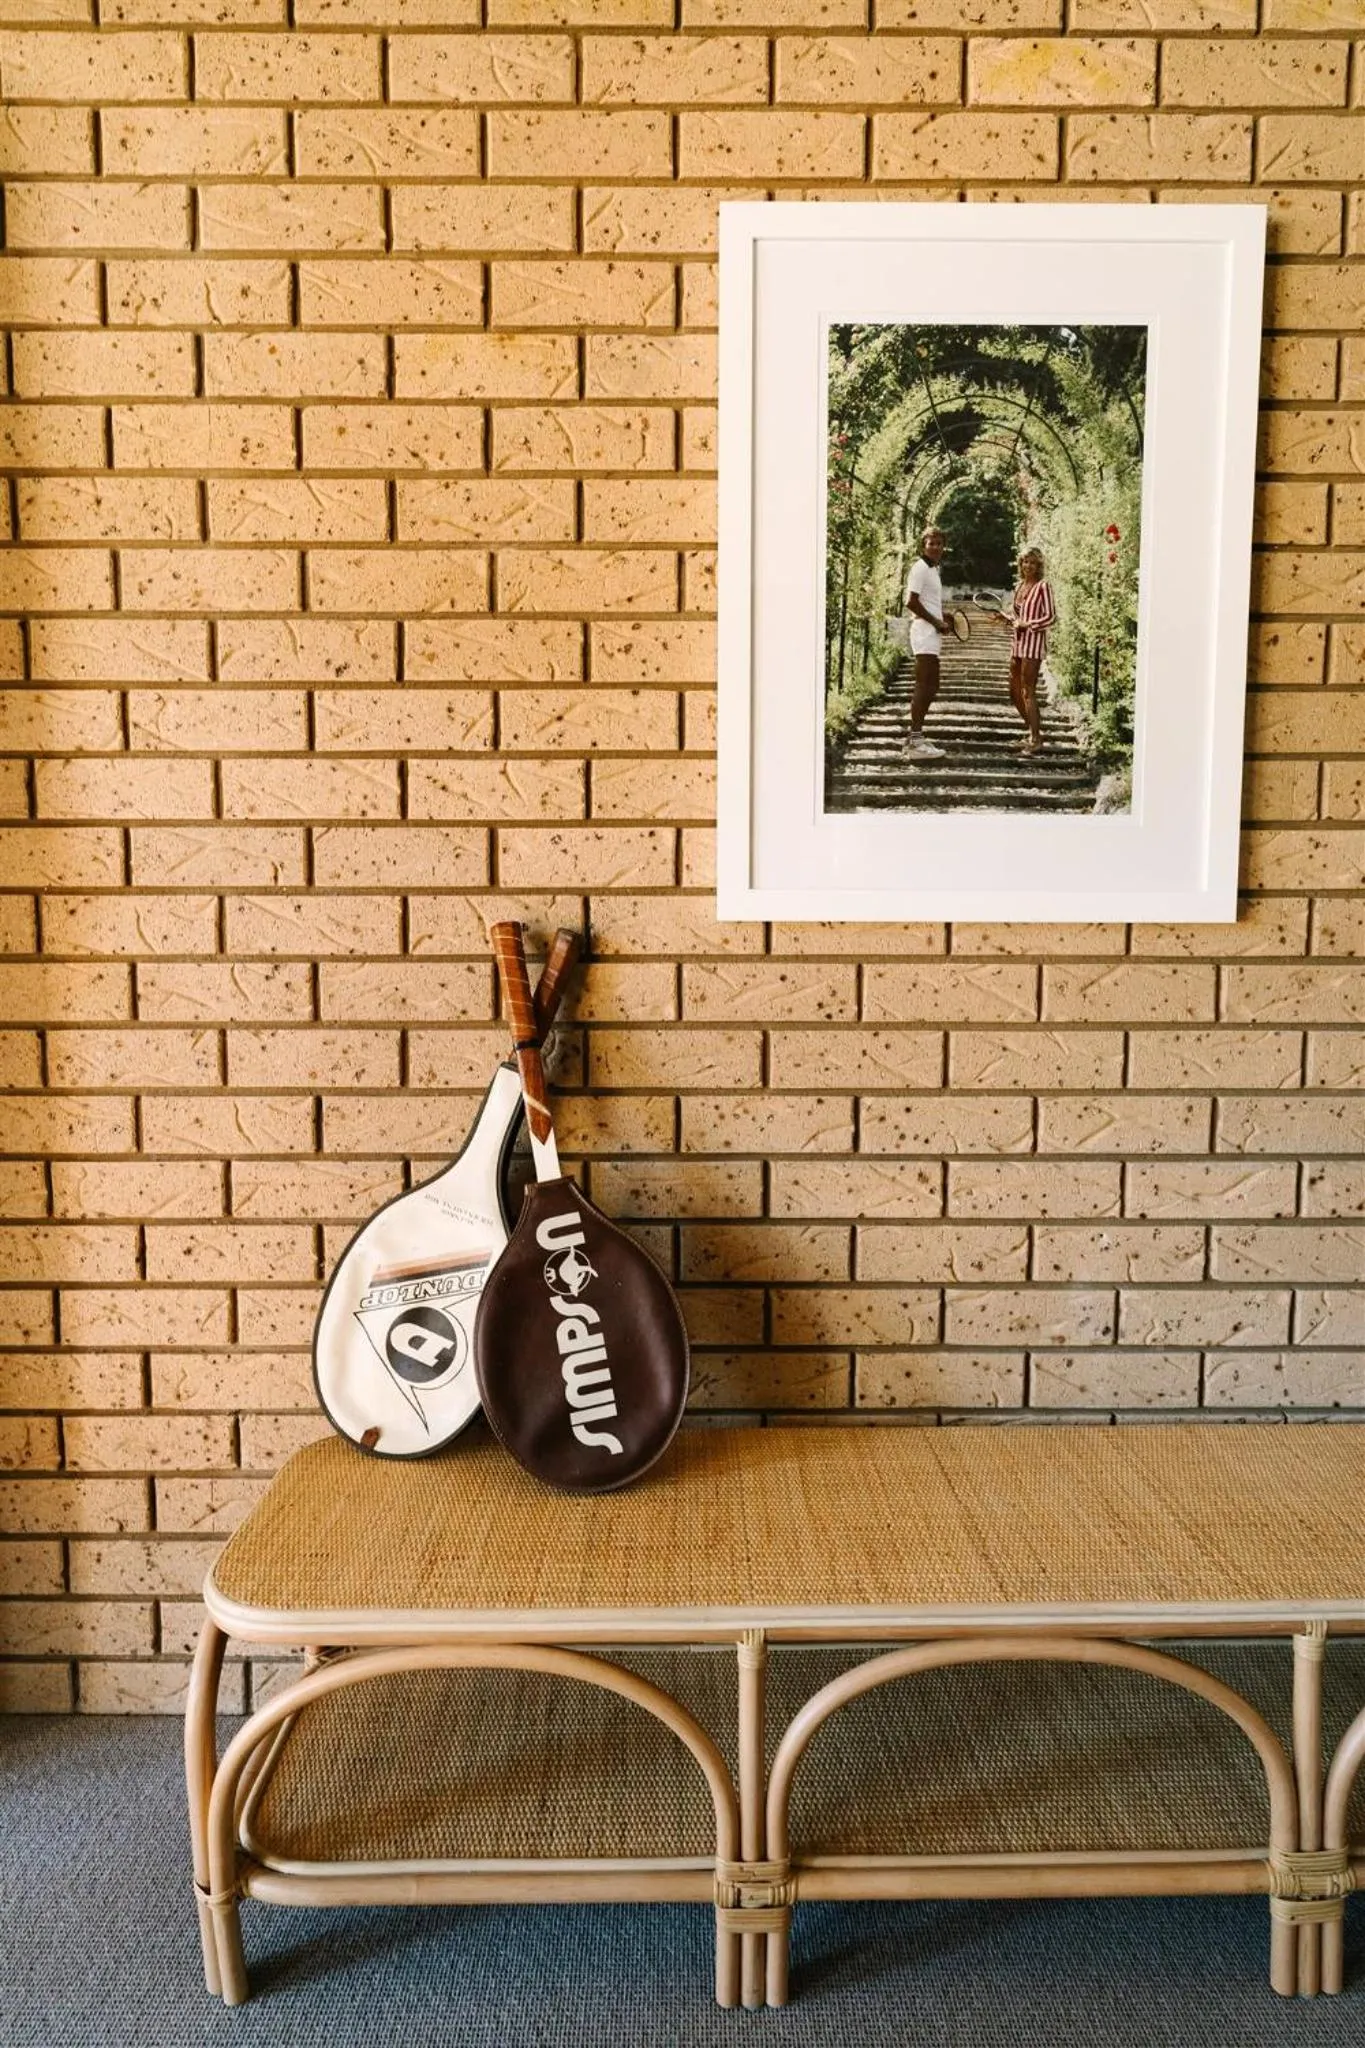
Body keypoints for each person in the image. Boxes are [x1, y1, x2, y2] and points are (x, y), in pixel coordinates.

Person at [994, 547, 1056, 756]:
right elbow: (1017, 617)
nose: (1028, 566)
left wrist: (1028, 624)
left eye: (1032, 562)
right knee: (1014, 690)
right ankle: (1031, 732)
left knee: (1028, 691)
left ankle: (1036, 739)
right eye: (1025, 562)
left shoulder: (1043, 586)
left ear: (1039, 565)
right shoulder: (1020, 586)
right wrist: (1006, 618)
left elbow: (1050, 617)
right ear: (1020, 564)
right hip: (1017, 644)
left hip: (1033, 645)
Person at [903, 527, 950, 762]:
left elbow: (929, 602)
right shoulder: (920, 568)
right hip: (923, 632)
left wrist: (944, 617)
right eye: (931, 543)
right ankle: (915, 740)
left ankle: (916, 736)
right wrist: (934, 621)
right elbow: (910, 602)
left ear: (944, 547)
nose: (935, 547)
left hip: (931, 632)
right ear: (924, 545)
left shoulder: (934, 569)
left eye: (939, 544)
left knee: (932, 684)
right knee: (924, 684)